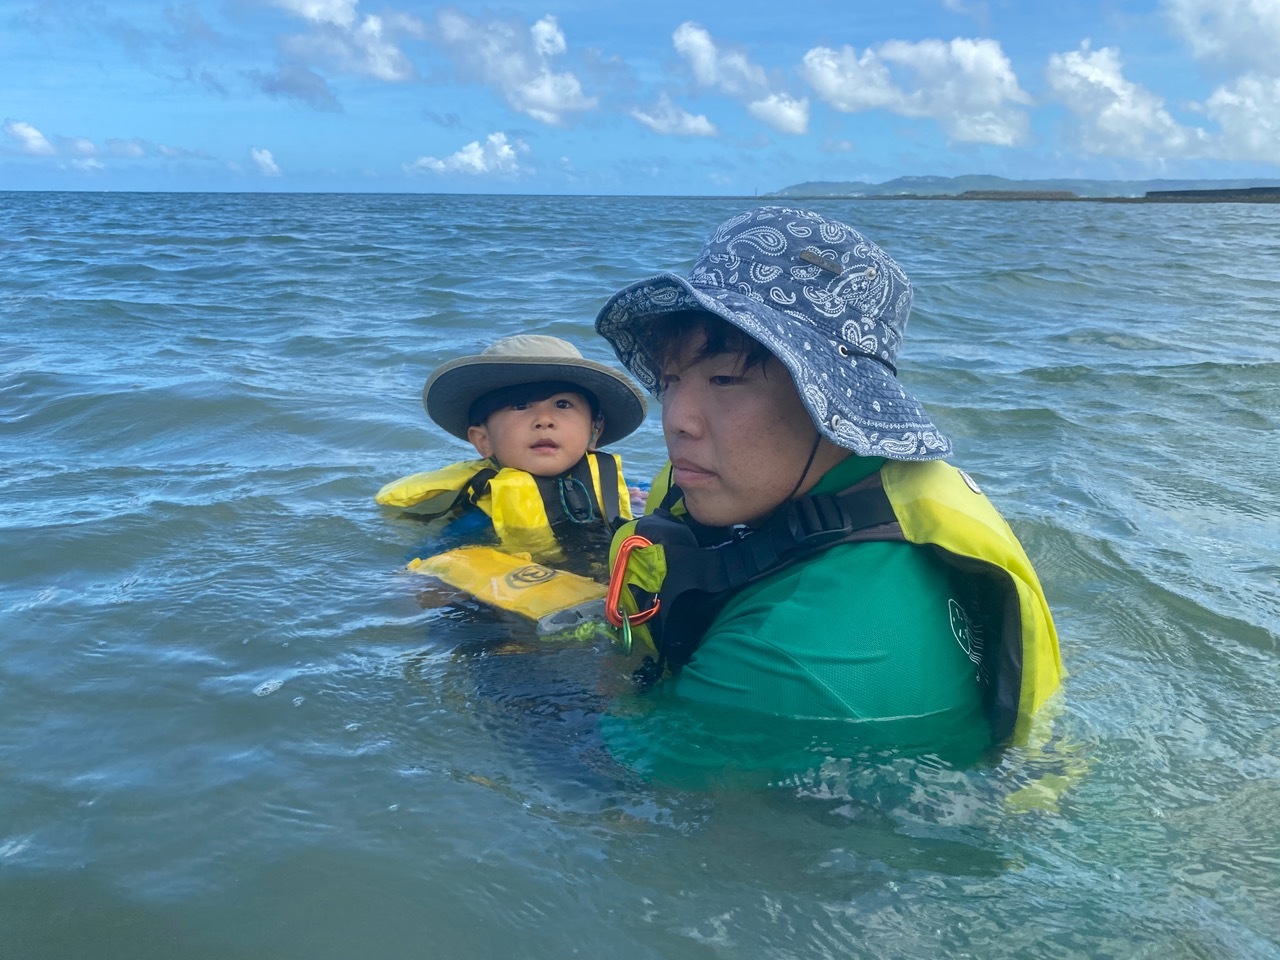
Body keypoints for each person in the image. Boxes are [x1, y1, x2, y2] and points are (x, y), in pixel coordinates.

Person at [595, 206, 1063, 753]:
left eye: (725, 378)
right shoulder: (852, 485)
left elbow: (622, 800)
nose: (675, 418)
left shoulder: (793, 656)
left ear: (836, 404)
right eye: (671, 380)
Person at [376, 334, 647, 571]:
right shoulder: (483, 514)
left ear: (594, 433)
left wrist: (637, 500)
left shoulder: (618, 486)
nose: (544, 420)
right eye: (520, 406)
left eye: (562, 404)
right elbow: (426, 563)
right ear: (483, 441)